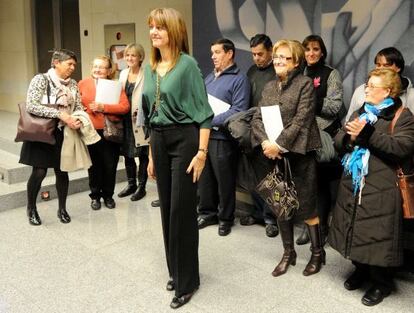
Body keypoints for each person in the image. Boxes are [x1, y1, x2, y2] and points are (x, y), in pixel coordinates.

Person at [142, 8, 213, 309]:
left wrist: (201, 153)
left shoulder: (188, 66)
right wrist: (151, 156)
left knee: (181, 212)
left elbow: (205, 114)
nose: (154, 32)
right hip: (158, 139)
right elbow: (149, 116)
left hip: (185, 140)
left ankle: (188, 282)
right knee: (167, 209)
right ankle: (176, 270)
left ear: (174, 31)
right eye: (152, 27)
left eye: (160, 27)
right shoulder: (150, 66)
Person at [328, 68, 414, 306]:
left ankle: (381, 282)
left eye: (372, 86)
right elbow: (339, 139)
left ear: (387, 90)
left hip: (382, 187)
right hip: (355, 183)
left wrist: (367, 133)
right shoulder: (361, 110)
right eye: (367, 85)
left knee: (377, 235)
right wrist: (349, 139)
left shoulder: (402, 116)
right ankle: (361, 269)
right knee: (354, 227)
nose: (366, 89)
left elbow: (402, 148)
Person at [251, 39, 324, 277]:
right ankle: (288, 253)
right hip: (273, 155)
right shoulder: (269, 87)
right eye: (277, 57)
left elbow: (302, 119)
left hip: (300, 154)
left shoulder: (304, 84)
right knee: (281, 205)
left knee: (307, 206)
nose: (279, 61)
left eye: (285, 57)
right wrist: (265, 142)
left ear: (296, 62)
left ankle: (316, 253)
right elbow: (257, 119)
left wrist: (279, 145)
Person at [19, 49, 83, 225]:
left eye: (74, 65)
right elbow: (31, 105)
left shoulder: (73, 84)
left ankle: (62, 209)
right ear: (56, 62)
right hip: (42, 131)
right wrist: (60, 114)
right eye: (69, 64)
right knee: (39, 172)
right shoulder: (41, 79)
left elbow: (78, 106)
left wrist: (77, 118)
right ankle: (31, 208)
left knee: (62, 172)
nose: (72, 68)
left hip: (64, 132)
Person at [197, 38, 250, 236]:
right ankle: (207, 212)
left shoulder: (240, 79)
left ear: (230, 54)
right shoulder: (210, 77)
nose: (213, 56)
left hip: (223, 139)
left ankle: (225, 218)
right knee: (205, 178)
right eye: (212, 52)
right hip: (204, 137)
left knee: (224, 181)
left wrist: (208, 121)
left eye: (217, 52)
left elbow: (239, 110)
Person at [297, 34, 344, 245]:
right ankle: (308, 226)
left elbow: (335, 107)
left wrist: (311, 100)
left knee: (321, 185)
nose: (311, 53)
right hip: (301, 135)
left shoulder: (331, 74)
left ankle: (322, 227)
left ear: (322, 52)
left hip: (323, 135)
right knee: (305, 184)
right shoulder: (300, 72)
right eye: (307, 49)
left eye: (315, 49)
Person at [240, 34, 279, 238]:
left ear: (271, 50)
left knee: (270, 177)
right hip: (252, 128)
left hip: (271, 130)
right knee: (252, 176)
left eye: (260, 54)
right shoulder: (252, 71)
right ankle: (257, 213)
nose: (256, 58)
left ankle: (271, 218)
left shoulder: (279, 71)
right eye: (254, 54)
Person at [78, 56, 129, 210]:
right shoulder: (82, 84)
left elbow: (124, 107)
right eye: (95, 66)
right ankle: (95, 196)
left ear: (108, 71)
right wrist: (85, 110)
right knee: (93, 166)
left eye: (101, 67)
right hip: (90, 131)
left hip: (109, 132)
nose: (97, 70)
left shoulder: (115, 86)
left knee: (110, 165)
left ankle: (108, 196)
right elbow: (76, 105)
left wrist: (104, 107)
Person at [117, 43, 150, 202]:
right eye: (127, 55)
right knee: (127, 154)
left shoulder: (147, 73)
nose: (129, 58)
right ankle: (131, 184)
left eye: (133, 55)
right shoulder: (123, 73)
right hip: (124, 119)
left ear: (140, 57)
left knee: (143, 154)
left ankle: (141, 186)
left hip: (140, 119)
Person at [346, 47, 414, 121]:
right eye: (378, 65)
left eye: (386, 65)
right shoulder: (360, 91)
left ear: (398, 68)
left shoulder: (411, 96)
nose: (381, 69)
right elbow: (348, 123)